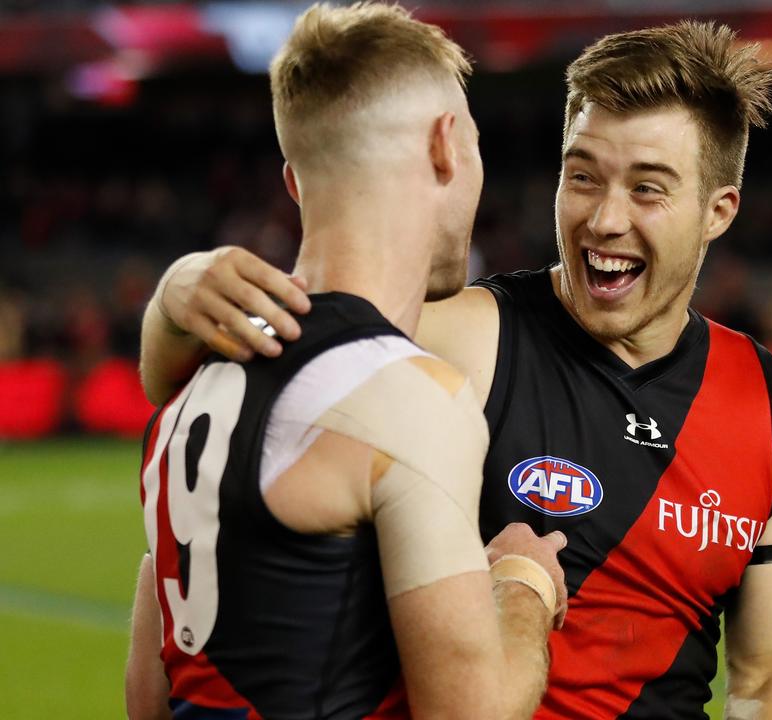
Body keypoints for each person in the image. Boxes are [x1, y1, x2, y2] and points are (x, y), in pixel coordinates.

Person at [136, 20, 772, 720]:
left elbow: (771, 677)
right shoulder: (448, 342)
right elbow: (237, 373)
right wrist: (176, 297)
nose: (605, 219)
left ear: (718, 211)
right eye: (581, 176)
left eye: (647, 189)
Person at [124, 4, 567, 718]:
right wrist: (522, 582)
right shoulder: (409, 399)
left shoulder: (184, 398)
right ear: (447, 146)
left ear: (295, 183)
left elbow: (149, 698)